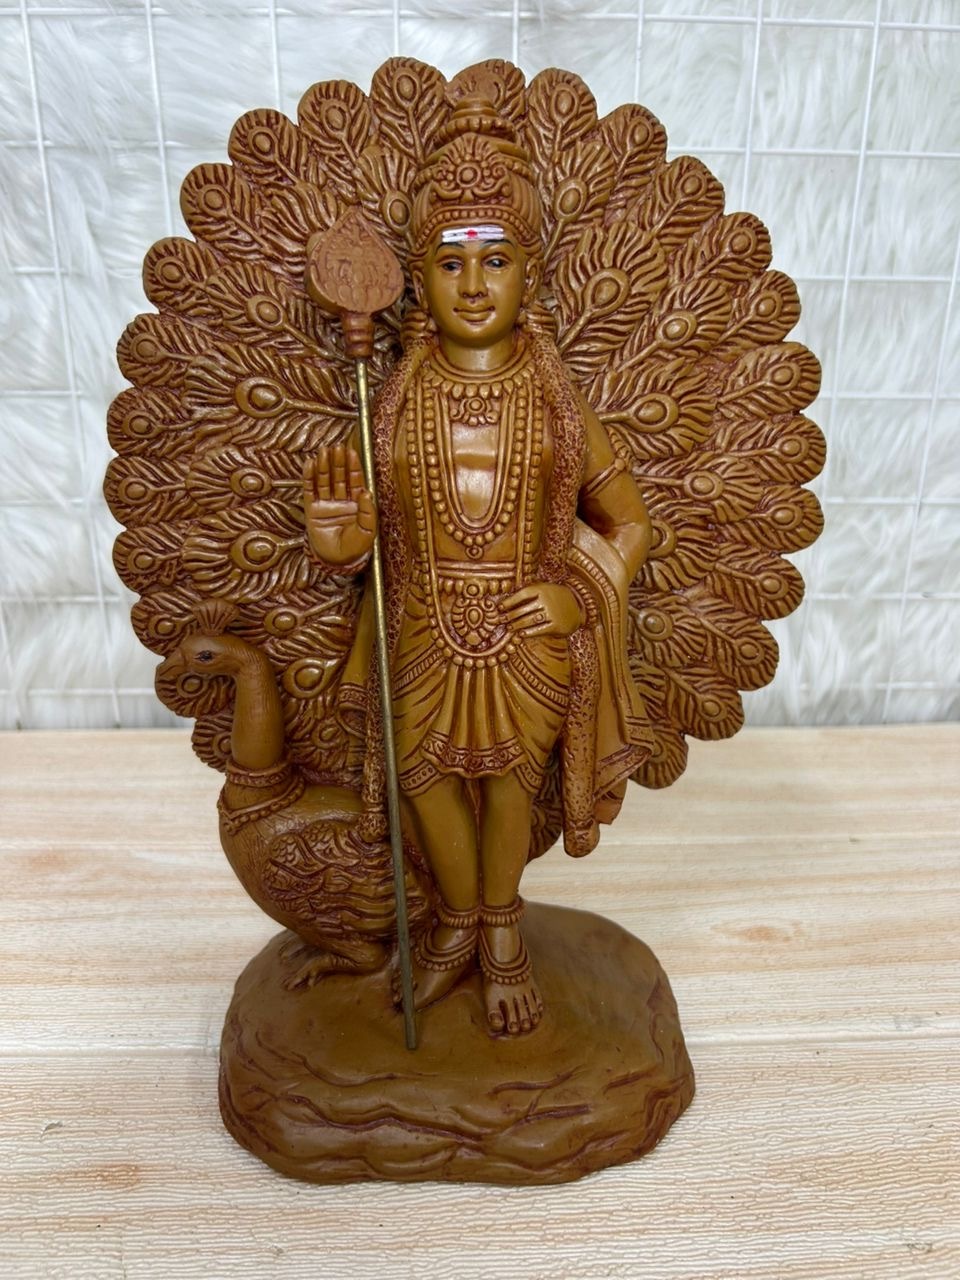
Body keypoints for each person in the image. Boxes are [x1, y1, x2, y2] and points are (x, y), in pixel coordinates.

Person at [304, 96, 653, 1037]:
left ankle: (501, 934)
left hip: (523, 628)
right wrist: (341, 542)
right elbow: (366, 531)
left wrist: (577, 595)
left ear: (529, 271)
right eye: (449, 262)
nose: (471, 285)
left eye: (494, 260)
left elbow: (630, 524)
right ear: (417, 279)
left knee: (507, 784)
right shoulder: (394, 401)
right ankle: (457, 920)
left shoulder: (557, 402)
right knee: (422, 779)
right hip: (421, 623)